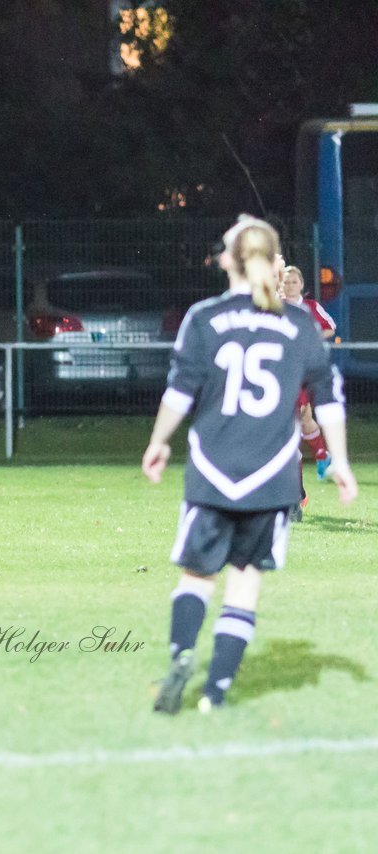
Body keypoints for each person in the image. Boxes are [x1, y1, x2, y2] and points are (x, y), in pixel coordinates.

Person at [141, 215, 357, 715]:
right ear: (272, 262)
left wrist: (158, 442)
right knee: (244, 583)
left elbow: (179, 391)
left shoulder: (203, 318)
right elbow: (327, 399)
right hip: (272, 478)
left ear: (225, 261)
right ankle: (215, 693)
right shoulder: (299, 324)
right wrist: (339, 459)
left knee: (196, 578)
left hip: (212, 471)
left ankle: (181, 656)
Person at [279, 264, 338, 516]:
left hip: (300, 376)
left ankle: (295, 498)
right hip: (275, 377)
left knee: (298, 422)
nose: (290, 285)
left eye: (294, 281)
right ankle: (298, 490)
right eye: (286, 281)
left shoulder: (310, 308)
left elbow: (330, 327)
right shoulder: (273, 307)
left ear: (301, 285)